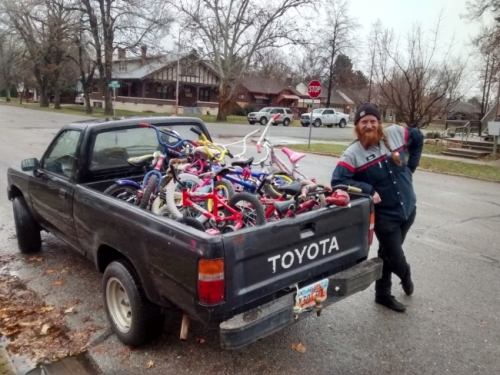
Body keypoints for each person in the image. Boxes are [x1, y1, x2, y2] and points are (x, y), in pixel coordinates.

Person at [330, 102, 424, 313]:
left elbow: (418, 137)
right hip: (385, 218)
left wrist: (411, 168)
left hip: (408, 209)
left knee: (386, 253)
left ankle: (382, 295)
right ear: (357, 126)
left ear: (379, 123)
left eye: (373, 121)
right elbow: (338, 181)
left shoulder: (396, 133)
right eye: (364, 122)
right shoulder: (352, 153)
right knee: (395, 257)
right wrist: (367, 189)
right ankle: (406, 277)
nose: (369, 125)